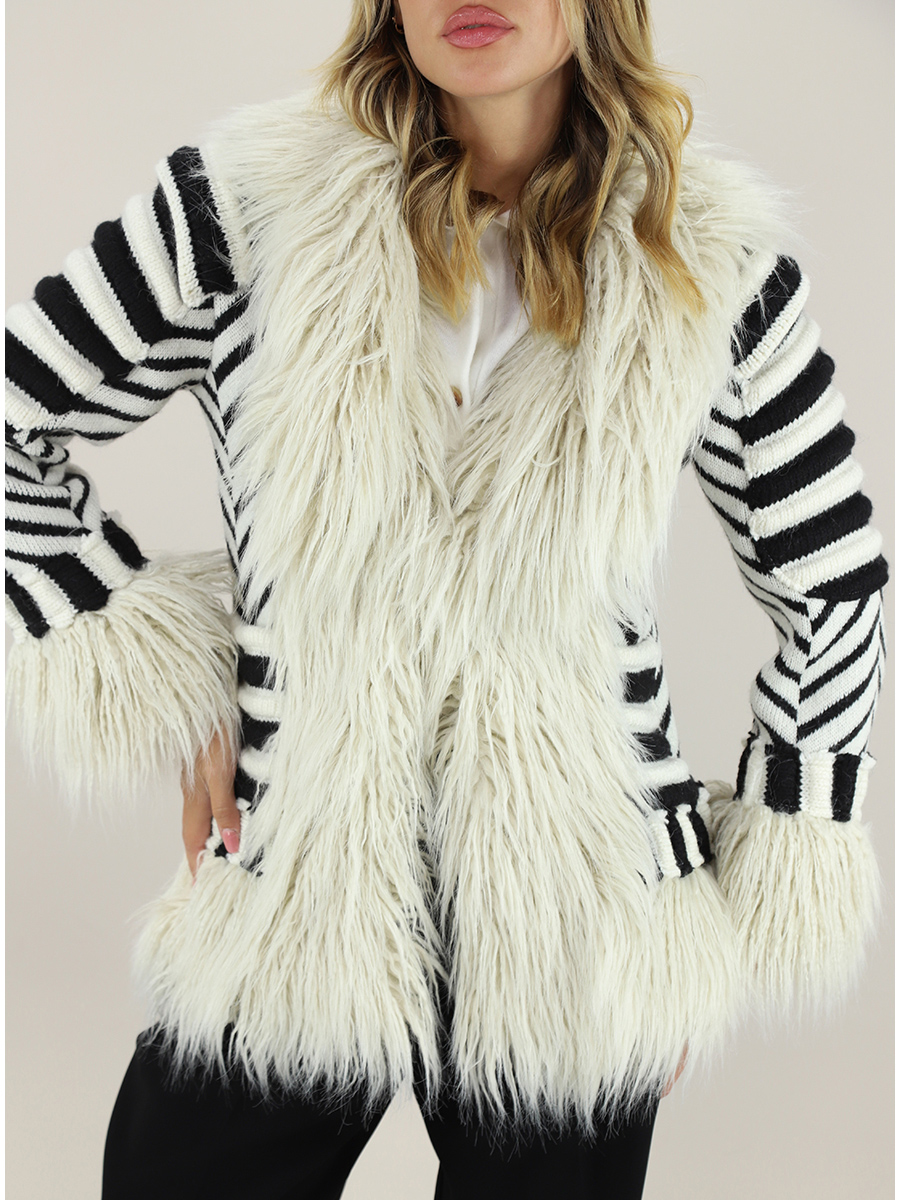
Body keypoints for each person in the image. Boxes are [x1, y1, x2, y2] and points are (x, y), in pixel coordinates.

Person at [5, 1, 888, 1197]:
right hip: (294, 883)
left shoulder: (707, 256)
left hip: (578, 923)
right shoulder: (244, 211)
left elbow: (833, 579)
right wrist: (182, 674)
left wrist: (729, 876)